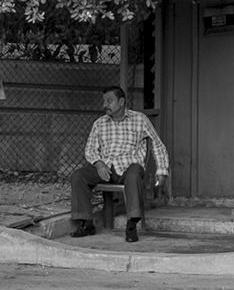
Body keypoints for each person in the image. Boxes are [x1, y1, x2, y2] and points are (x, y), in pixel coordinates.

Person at [69, 85, 169, 243]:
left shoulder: (140, 119)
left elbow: (157, 144)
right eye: (104, 101)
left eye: (109, 101)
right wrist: (99, 162)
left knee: (135, 173)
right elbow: (90, 149)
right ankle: (86, 223)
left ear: (121, 102)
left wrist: (161, 170)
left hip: (129, 166)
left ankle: (131, 225)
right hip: (105, 168)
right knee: (78, 176)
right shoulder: (99, 123)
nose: (105, 105)